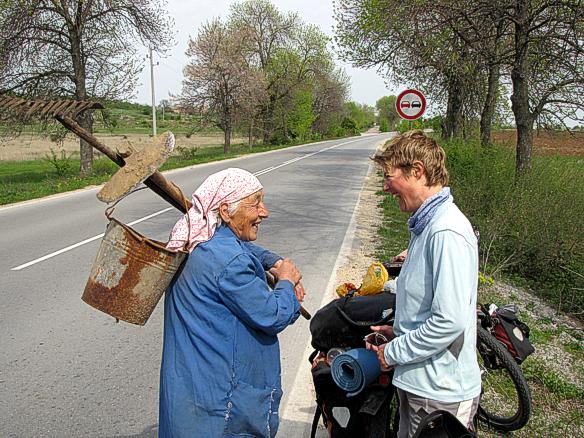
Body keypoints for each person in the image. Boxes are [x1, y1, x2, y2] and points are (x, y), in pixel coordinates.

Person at [159, 167, 305, 438]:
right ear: (225, 212)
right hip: (220, 403)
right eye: (256, 203)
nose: (264, 212)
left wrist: (271, 261)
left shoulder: (199, 241)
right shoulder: (231, 263)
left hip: (191, 392)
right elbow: (273, 314)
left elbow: (242, 249)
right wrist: (286, 282)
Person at [367, 130, 481, 437]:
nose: (385, 186)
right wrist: (400, 330)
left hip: (440, 391)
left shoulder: (445, 232)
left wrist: (392, 353)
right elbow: (429, 303)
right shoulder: (426, 225)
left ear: (417, 171)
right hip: (422, 382)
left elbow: (449, 321)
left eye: (389, 176)